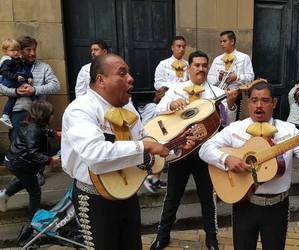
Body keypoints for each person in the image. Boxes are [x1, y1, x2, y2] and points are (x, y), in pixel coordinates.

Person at [61, 53, 196, 250]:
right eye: (122, 73)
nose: (131, 78)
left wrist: (175, 149)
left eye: (129, 73)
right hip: (94, 199)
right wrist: (146, 146)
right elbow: (95, 155)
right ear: (101, 80)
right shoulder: (80, 110)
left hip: (128, 194)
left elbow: (143, 156)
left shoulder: (130, 111)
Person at [199, 81, 299, 250]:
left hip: (277, 206)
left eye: (265, 100)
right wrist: (226, 159)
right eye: (254, 100)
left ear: (274, 103)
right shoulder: (236, 129)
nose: (259, 105)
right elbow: (205, 149)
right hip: (244, 204)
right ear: (248, 104)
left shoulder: (288, 132)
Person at [150, 50, 238, 250]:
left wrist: (231, 104)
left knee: (208, 197)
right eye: (197, 65)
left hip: (205, 152)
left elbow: (227, 123)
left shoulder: (216, 91)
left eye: (204, 65)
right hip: (180, 150)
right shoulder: (176, 88)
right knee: (172, 196)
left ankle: (212, 239)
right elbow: (158, 109)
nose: (201, 69)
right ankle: (162, 236)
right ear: (188, 67)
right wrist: (171, 104)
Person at [142, 36, 189, 193]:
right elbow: (158, 83)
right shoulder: (163, 64)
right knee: (163, 139)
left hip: (181, 106)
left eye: (183, 46)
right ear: (172, 47)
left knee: (176, 140)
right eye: (178, 46)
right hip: (166, 103)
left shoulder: (188, 65)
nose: (181, 49)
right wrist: (175, 87)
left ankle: (156, 178)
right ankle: (152, 176)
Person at [0, 100, 60, 216]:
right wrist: (50, 160)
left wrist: (54, 133)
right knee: (35, 191)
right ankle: (34, 219)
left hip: (16, 161)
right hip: (20, 163)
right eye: (51, 114)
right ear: (44, 116)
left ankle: (4, 195)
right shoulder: (33, 130)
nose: (53, 116)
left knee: (26, 181)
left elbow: (43, 131)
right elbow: (33, 152)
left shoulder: (35, 125)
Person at [0, 36, 60, 143]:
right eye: (28, 50)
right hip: (18, 113)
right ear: (20, 51)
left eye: (34, 49)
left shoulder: (44, 67)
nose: (33, 53)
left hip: (39, 114)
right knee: (18, 147)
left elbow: (56, 86)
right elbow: (1, 87)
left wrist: (35, 89)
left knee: (39, 148)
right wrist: (15, 92)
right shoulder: (9, 66)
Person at [207, 31, 254, 120]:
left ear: (232, 41)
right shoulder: (217, 59)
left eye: (224, 41)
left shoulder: (244, 57)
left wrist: (236, 77)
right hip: (219, 95)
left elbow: (251, 77)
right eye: (220, 41)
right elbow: (209, 78)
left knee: (232, 119)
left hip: (235, 94)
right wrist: (219, 77)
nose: (222, 44)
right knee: (218, 120)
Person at [0, 38, 33, 128]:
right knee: (18, 94)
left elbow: (25, 70)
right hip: (9, 82)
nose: (15, 52)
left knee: (13, 98)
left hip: (15, 81)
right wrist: (16, 77)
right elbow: (4, 72)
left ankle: (5, 115)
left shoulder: (17, 60)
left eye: (17, 50)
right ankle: (5, 115)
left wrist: (30, 77)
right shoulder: (7, 61)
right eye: (12, 50)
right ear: (5, 51)